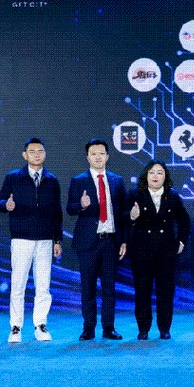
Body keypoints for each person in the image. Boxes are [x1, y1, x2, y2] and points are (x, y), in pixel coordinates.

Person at [0, 138, 63, 343]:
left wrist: (57, 240)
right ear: (25, 155)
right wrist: (5, 205)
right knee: (18, 284)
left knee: (43, 285)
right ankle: (15, 327)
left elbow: (57, 213)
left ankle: (40, 325)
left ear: (45, 154)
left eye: (40, 151)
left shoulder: (52, 180)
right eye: (32, 151)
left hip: (45, 240)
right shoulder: (14, 177)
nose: (36, 154)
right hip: (21, 239)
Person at [66, 138, 127, 341]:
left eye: (101, 153)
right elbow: (70, 208)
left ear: (107, 156)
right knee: (88, 287)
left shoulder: (117, 180)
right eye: (93, 154)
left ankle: (109, 328)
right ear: (87, 157)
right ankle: (88, 328)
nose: (98, 157)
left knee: (109, 287)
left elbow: (123, 213)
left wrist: (123, 240)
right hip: (87, 242)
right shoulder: (78, 180)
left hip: (110, 241)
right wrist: (81, 205)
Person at [127, 161, 190, 340]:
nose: (155, 176)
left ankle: (164, 328)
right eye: (152, 172)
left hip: (166, 251)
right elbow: (122, 217)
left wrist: (182, 241)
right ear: (146, 175)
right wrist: (132, 215)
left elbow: (184, 221)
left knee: (166, 291)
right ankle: (143, 328)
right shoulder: (135, 194)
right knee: (142, 291)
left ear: (165, 177)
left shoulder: (173, 196)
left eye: (160, 172)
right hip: (142, 250)